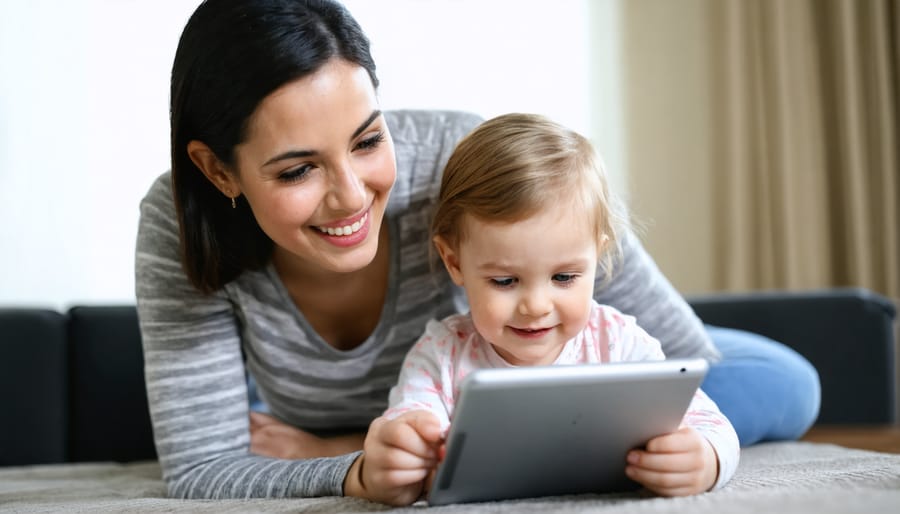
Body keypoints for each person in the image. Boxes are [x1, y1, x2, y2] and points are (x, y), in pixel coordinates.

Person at [135, 0, 819, 501]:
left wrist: (695, 444)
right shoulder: (179, 227)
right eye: (296, 171)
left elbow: (678, 347)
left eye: (369, 140)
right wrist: (356, 468)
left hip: (535, 363)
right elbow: (202, 469)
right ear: (219, 171)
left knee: (785, 381)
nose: (350, 196)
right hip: (425, 405)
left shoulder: (456, 163)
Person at [363, 113, 739, 505]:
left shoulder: (620, 342)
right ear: (454, 262)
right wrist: (399, 457)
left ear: (600, 254)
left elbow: (712, 424)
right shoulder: (442, 355)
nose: (536, 307)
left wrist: (706, 458)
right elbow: (405, 427)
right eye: (505, 281)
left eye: (564, 278)